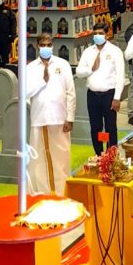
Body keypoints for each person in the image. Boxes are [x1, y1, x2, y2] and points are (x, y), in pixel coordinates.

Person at [26, 33, 75, 196]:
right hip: (39, 118)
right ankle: (42, 193)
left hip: (60, 118)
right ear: (37, 46)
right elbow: (25, 92)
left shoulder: (63, 64)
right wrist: (42, 81)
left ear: (52, 46)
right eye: (43, 45)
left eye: (48, 45)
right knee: (39, 160)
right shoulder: (30, 68)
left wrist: (70, 117)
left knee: (61, 157)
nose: (46, 47)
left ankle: (62, 193)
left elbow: (70, 92)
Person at [76, 22, 125, 154]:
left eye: (101, 33)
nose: (98, 36)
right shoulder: (88, 52)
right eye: (96, 33)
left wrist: (117, 98)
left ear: (107, 34)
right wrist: (90, 69)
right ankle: (99, 155)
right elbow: (79, 72)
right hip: (92, 95)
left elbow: (120, 76)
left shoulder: (115, 51)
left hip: (109, 95)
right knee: (95, 127)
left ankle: (111, 155)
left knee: (110, 127)